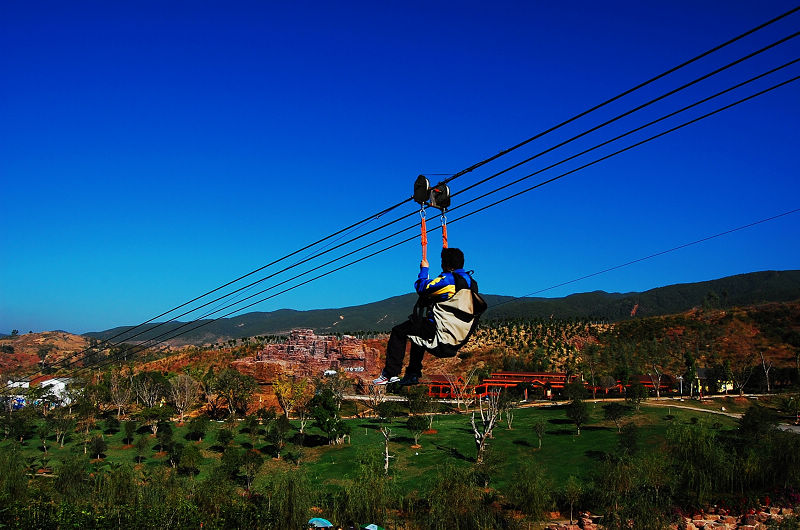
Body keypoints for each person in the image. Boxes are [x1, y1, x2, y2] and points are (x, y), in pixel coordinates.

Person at [373, 247, 477, 386]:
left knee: (398, 331)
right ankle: (412, 373)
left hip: (439, 330)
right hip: (458, 334)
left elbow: (422, 288)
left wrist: (424, 270)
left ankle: (390, 373)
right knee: (418, 333)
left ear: (445, 264)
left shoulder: (449, 280)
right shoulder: (471, 283)